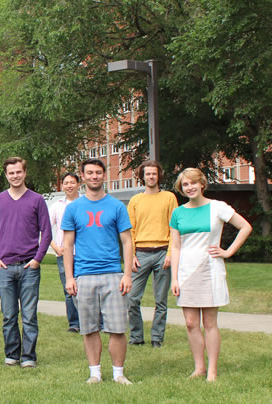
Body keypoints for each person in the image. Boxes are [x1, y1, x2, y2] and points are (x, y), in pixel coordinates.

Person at [170, 168, 252, 381]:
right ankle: (199, 368)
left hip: (210, 270)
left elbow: (245, 227)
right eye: (185, 184)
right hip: (186, 273)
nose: (190, 187)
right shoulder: (177, 213)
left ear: (202, 184)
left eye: (193, 183)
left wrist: (228, 251)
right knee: (190, 323)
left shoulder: (217, 207)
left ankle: (212, 371)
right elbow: (176, 247)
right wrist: (174, 278)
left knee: (209, 323)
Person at [61, 158, 134, 385]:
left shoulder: (116, 206)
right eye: (90, 173)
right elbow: (68, 245)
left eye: (98, 173)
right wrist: (70, 277)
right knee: (89, 328)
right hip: (84, 275)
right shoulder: (73, 208)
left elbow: (127, 242)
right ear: (83, 177)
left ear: (104, 175)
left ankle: (118, 374)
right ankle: (95, 374)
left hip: (113, 274)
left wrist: (128, 274)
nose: (94, 176)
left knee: (117, 328)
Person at [0, 157, 52, 369]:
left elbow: (47, 232)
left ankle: (29, 356)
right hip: (4, 267)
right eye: (11, 173)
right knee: (8, 315)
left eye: (18, 172)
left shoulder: (37, 200)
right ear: (6, 175)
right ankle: (12, 354)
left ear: (25, 173)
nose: (15, 176)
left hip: (28, 267)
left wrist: (37, 259)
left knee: (30, 316)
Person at [127, 161, 178, 348]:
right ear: (142, 176)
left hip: (163, 252)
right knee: (132, 298)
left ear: (159, 176)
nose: (151, 177)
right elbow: (129, 231)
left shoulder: (169, 198)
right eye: (147, 174)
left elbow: (175, 228)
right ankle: (136, 337)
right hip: (140, 253)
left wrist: (171, 253)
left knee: (161, 301)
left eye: (154, 174)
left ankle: (157, 337)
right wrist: (131, 255)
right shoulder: (135, 201)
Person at [48, 172, 81, 333]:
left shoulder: (85, 202)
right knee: (69, 289)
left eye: (72, 182)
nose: (69, 186)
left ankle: (95, 322)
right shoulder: (57, 205)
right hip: (64, 254)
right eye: (66, 183)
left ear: (78, 185)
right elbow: (45, 229)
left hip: (84, 254)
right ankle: (74, 323)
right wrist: (55, 247)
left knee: (88, 289)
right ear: (62, 186)